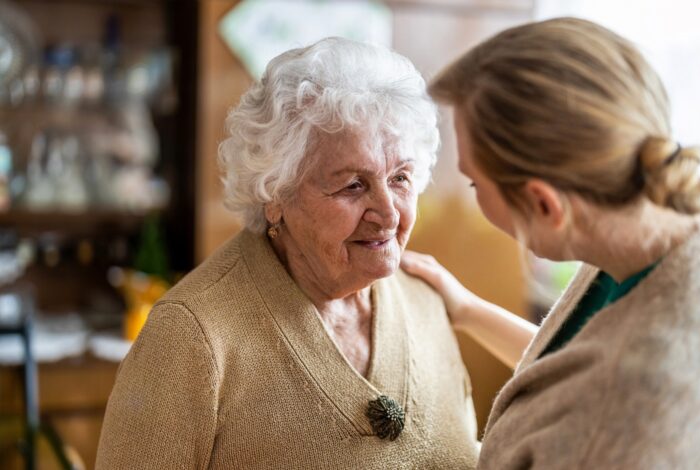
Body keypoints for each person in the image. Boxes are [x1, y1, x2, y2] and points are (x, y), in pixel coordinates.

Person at [401, 17, 700, 469]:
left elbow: (600, 396)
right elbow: (575, 371)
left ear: (544, 204)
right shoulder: (699, 223)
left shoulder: (623, 421)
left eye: (475, 184)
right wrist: (468, 309)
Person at [96, 37, 479, 469]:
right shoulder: (191, 338)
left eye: (401, 178)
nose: (388, 214)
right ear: (275, 193)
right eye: (353, 184)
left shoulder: (427, 303)